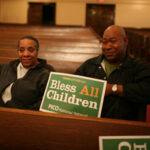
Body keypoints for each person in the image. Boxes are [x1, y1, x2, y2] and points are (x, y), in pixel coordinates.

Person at [75, 25, 150, 121]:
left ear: (125, 41)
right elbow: (75, 87)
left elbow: (147, 91)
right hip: (91, 125)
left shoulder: (139, 67)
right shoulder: (90, 65)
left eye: (113, 41)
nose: (107, 47)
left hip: (123, 129)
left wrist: (114, 88)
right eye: (104, 42)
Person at [0, 35, 55, 110]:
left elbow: (45, 103)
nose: (26, 54)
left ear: (37, 51)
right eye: (21, 50)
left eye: (31, 50)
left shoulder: (47, 74)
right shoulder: (5, 68)